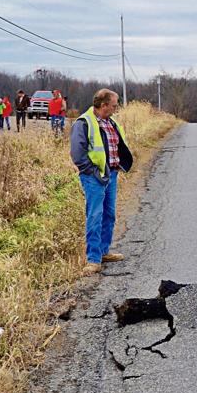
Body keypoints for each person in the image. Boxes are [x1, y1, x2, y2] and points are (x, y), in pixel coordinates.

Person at [70, 88, 133, 275]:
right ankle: (93, 259)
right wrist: (93, 172)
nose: (116, 108)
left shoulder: (111, 122)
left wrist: (119, 166)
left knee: (109, 215)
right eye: (114, 105)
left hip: (111, 175)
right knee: (95, 216)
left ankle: (104, 251)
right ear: (104, 105)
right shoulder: (84, 123)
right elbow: (77, 153)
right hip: (94, 177)